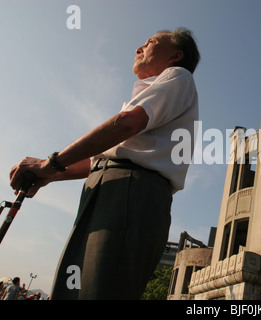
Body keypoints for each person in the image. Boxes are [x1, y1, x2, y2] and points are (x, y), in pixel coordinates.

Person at [9, 28, 200, 299]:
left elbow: (125, 124)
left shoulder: (178, 76)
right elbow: (101, 159)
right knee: (74, 289)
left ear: (175, 56)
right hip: (112, 188)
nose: (139, 48)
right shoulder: (158, 94)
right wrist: (49, 175)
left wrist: (50, 163)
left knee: (96, 290)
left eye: (151, 42)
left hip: (129, 192)